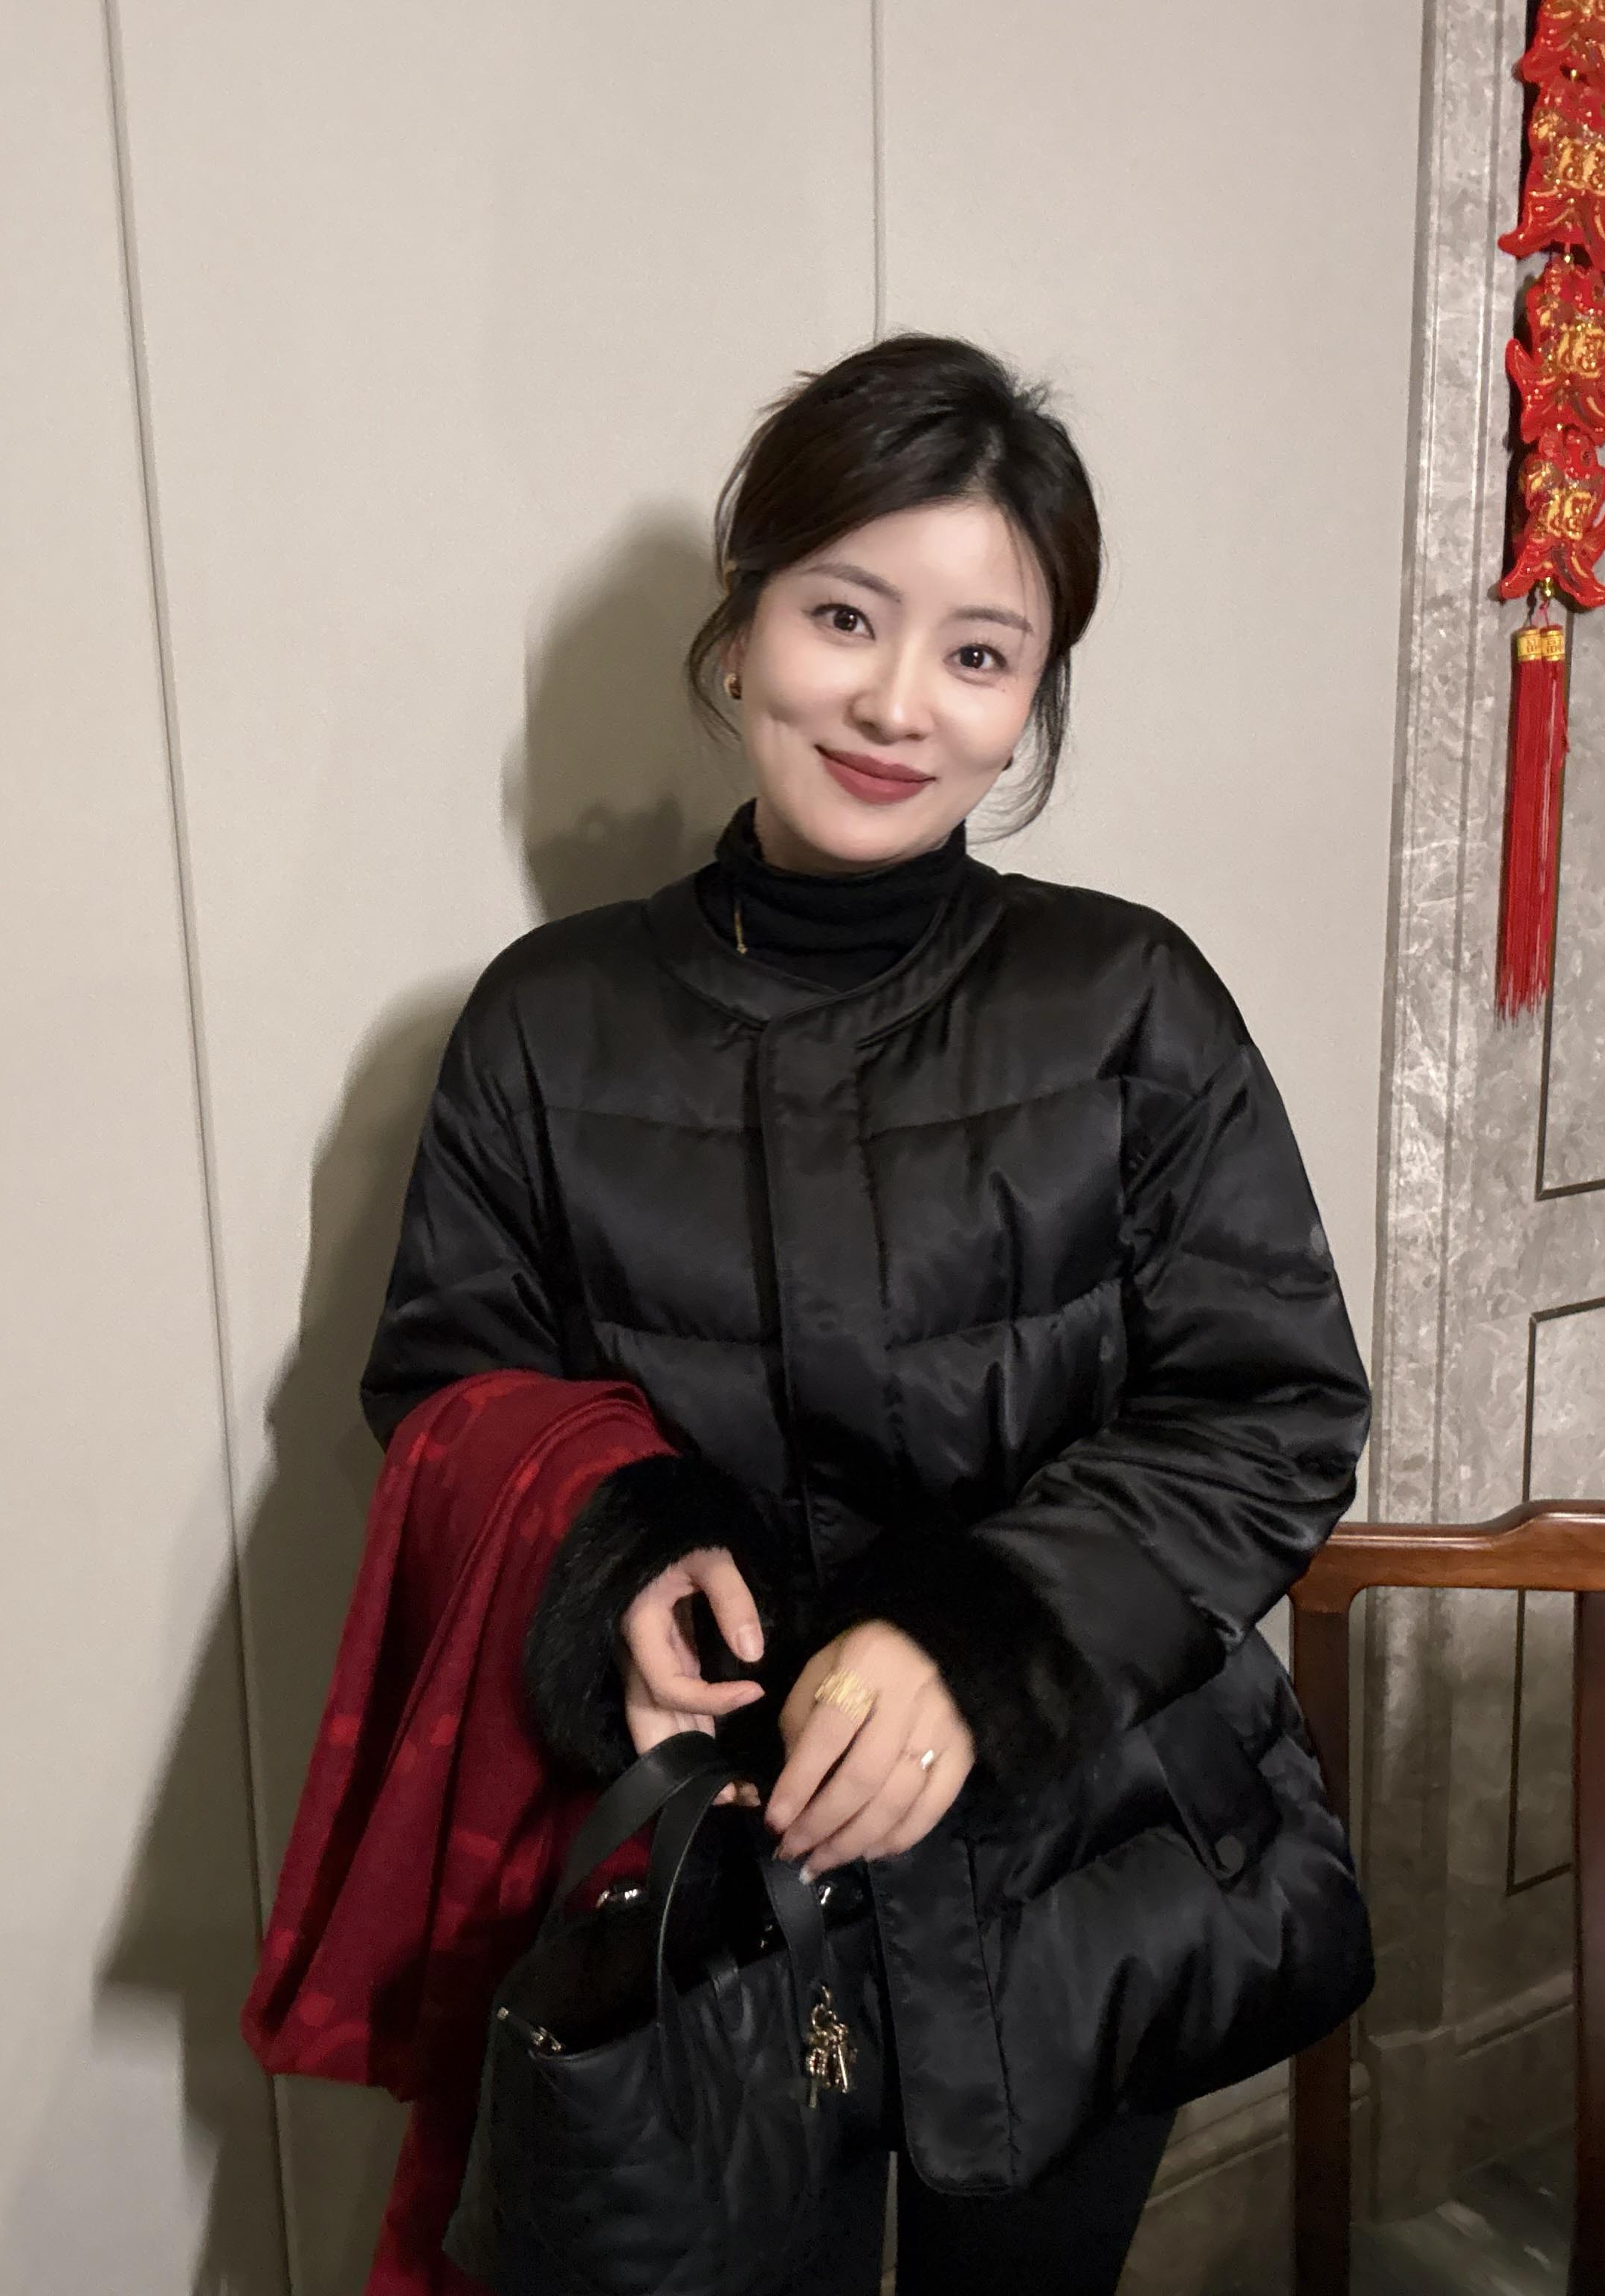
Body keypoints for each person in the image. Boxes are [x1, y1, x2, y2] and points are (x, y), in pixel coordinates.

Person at [360, 332, 1374, 2295]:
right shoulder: (545, 1023)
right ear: (742, 631)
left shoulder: (1128, 1001)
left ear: (1030, 705)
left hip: (1081, 1859)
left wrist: (973, 1643)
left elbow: (1269, 1409)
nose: (900, 703)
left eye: (980, 654)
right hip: (714, 1890)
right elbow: (448, 1383)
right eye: (845, 616)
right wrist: (612, 1565)